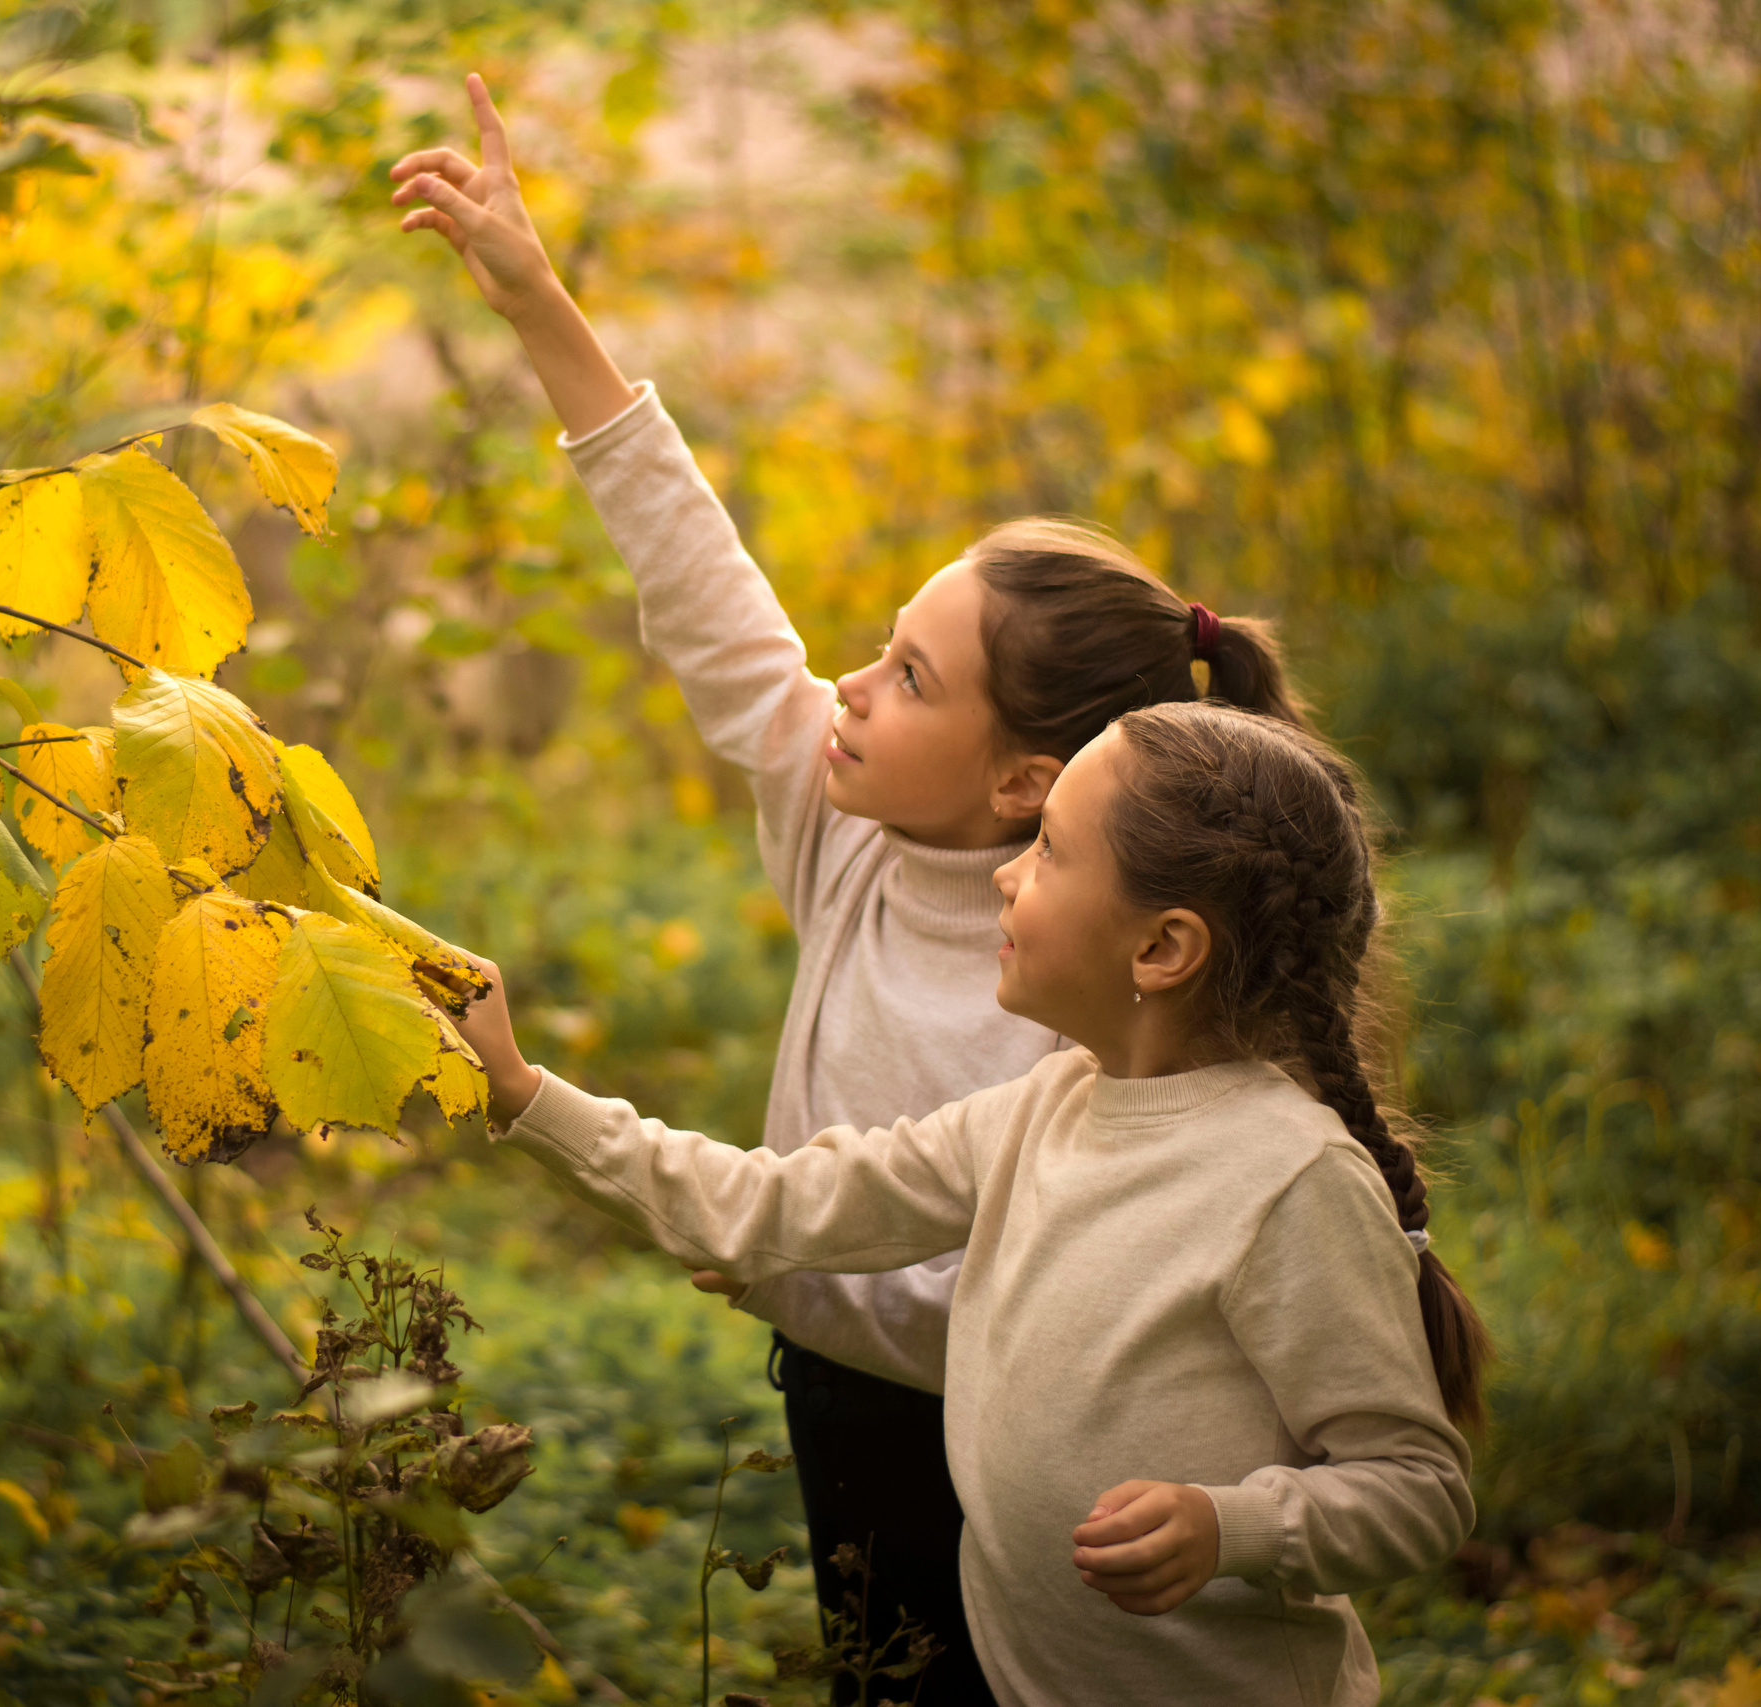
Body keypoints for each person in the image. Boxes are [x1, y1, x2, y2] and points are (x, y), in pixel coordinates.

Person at [392, 75, 1310, 1702]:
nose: (851, 691)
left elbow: (1076, 1278)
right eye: (876, 650)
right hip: (839, 1403)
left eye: (909, 676)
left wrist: (782, 1250)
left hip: (1043, 1448)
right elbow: (699, 578)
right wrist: (535, 299)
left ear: (1025, 782)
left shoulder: (1090, 975)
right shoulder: (844, 816)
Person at [450, 700, 1488, 1707]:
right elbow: (772, 1203)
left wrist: (1233, 1528)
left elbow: (1417, 1486)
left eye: (1049, 851)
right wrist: (523, 1091)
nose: (1005, 871)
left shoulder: (1290, 1180)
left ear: (1161, 949)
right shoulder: (1039, 1111)